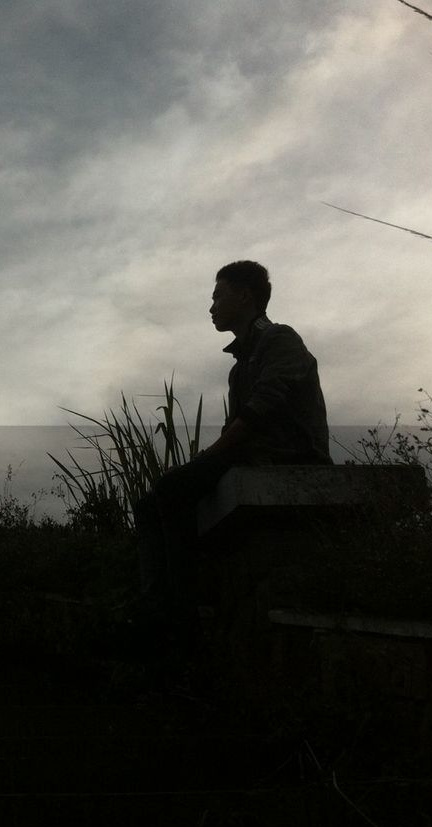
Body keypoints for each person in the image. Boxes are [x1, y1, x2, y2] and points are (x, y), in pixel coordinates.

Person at [130, 260, 331, 635]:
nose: (212, 307)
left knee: (173, 490)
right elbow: (239, 422)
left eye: (218, 297)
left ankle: (179, 612)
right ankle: (155, 603)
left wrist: (211, 456)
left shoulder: (280, 338)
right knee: (150, 502)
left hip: (289, 454)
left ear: (245, 296)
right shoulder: (240, 365)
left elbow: (262, 409)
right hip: (253, 454)